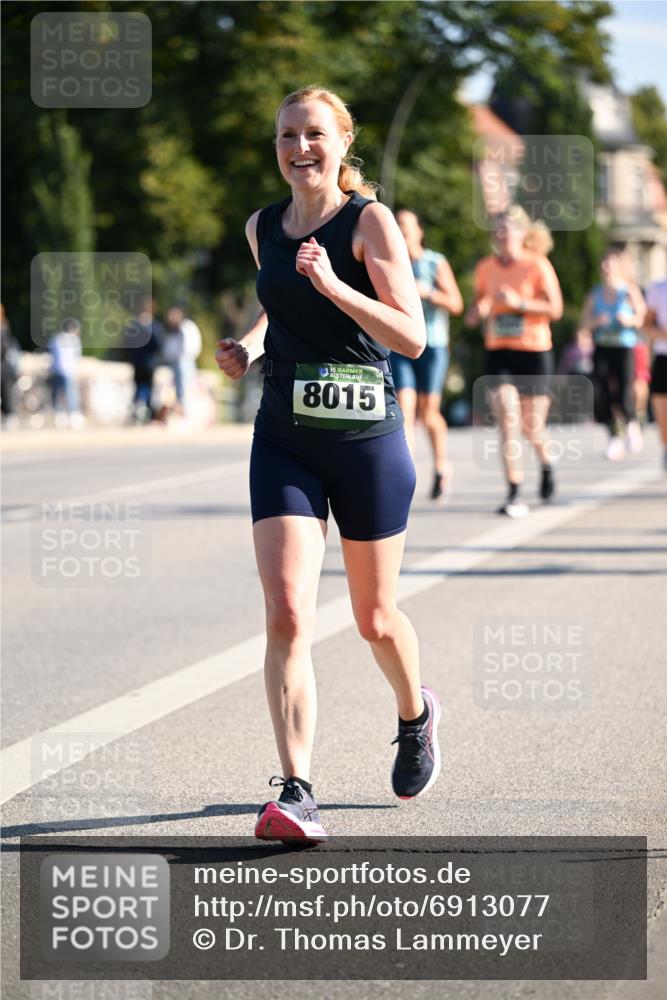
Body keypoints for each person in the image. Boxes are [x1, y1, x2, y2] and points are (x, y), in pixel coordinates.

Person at [215, 86, 441, 844]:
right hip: (284, 434)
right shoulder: (261, 226)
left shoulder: (367, 221)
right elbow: (281, 303)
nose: (298, 148)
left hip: (366, 440)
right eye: (285, 135)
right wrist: (250, 344)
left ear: (343, 143)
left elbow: (409, 335)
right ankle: (295, 789)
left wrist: (335, 284)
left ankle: (414, 712)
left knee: (373, 618)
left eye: (313, 134)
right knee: (285, 610)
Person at [465, 206, 563, 517]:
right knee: (508, 420)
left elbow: (555, 309)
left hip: (534, 351)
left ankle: (547, 462)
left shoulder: (537, 265)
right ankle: (514, 492)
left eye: (506, 230)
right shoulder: (485, 268)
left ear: (522, 234)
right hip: (499, 352)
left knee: (532, 427)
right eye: (497, 230)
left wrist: (519, 303)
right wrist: (477, 311)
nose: (501, 236)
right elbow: (477, 305)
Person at [390, 210, 463, 500]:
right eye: (396, 225)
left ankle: (441, 466)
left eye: (406, 225)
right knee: (403, 411)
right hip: (400, 345)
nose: (401, 230)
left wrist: (428, 292)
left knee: (428, 412)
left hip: (432, 345)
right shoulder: (390, 262)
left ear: (419, 231)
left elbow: (456, 303)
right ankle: (402, 478)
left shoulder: (435, 262)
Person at [577, 250, 646, 460]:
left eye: (611, 263)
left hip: (624, 347)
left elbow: (642, 317)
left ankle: (631, 423)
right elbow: (583, 325)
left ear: (618, 267)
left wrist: (629, 320)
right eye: (604, 263)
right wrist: (596, 323)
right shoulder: (594, 294)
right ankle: (614, 436)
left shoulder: (629, 291)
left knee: (624, 390)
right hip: (603, 347)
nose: (607, 267)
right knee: (602, 390)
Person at [123, 297, 165, 423]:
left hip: (142, 361)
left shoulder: (136, 325)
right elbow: (159, 345)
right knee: (145, 388)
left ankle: (141, 411)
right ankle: (144, 413)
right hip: (146, 362)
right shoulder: (153, 326)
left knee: (141, 388)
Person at [644, 275, 667, 470]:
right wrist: (661, 334)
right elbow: (646, 325)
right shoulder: (658, 288)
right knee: (663, 415)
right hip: (663, 357)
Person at [164, 304, 202, 416]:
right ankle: (180, 412)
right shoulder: (175, 330)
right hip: (178, 362)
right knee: (179, 389)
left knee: (184, 388)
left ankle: (186, 413)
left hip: (184, 361)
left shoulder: (186, 328)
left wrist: (182, 358)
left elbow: (189, 347)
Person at [47, 318, 84, 428]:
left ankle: (58, 416)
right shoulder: (74, 340)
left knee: (57, 394)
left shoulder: (56, 338)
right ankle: (73, 416)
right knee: (71, 395)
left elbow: (51, 353)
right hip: (68, 371)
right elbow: (76, 356)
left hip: (56, 370)